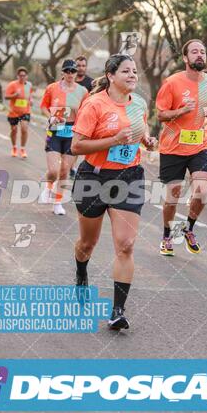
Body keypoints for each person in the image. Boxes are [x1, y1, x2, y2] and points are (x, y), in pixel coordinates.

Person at [71, 54, 156, 330]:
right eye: (126, 71)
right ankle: (81, 271)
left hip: (129, 177)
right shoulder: (94, 104)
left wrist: (148, 140)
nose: (133, 75)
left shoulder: (140, 104)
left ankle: (117, 310)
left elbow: (140, 131)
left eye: (134, 71)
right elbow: (77, 146)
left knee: (126, 244)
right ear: (110, 75)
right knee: (87, 244)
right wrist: (113, 141)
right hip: (94, 178)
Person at [156, 39, 207, 257]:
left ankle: (189, 228)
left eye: (202, 51)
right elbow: (161, 115)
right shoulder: (172, 83)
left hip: (199, 144)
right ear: (185, 58)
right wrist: (180, 111)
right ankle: (166, 236)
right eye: (194, 52)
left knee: (203, 192)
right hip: (172, 147)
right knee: (172, 196)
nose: (199, 55)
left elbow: (206, 108)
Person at [40, 59, 88, 215]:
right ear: (62, 72)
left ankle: (57, 203)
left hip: (71, 132)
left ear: (77, 73)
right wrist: (50, 117)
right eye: (67, 71)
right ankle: (48, 187)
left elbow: (86, 112)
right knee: (53, 171)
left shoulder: (82, 91)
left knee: (65, 170)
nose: (70, 74)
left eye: (73, 71)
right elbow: (43, 106)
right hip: (54, 130)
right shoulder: (52, 88)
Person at [70, 56, 94, 179]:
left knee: (76, 144)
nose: (81, 68)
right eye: (78, 66)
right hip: (66, 118)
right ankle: (66, 165)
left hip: (82, 118)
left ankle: (71, 167)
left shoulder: (91, 83)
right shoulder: (68, 81)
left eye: (83, 66)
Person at [4, 67, 33, 158]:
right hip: (14, 112)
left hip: (25, 112)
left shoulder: (29, 85)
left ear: (27, 76)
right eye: (20, 75)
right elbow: (6, 97)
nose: (22, 77)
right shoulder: (12, 85)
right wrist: (14, 95)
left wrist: (31, 100)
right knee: (14, 130)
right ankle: (14, 147)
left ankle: (23, 149)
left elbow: (30, 96)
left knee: (24, 129)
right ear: (17, 76)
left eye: (24, 75)